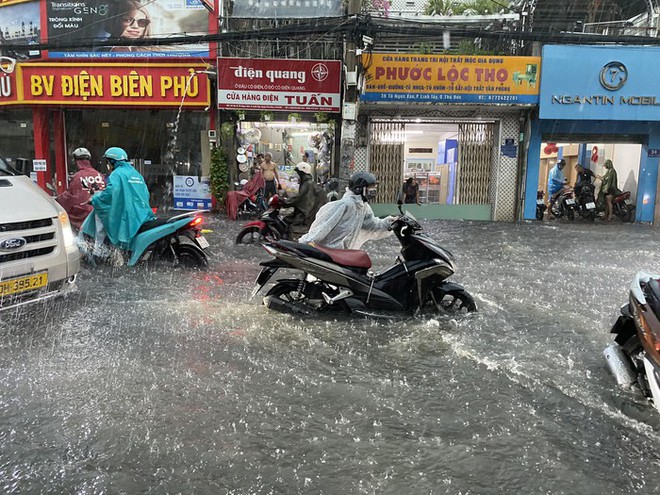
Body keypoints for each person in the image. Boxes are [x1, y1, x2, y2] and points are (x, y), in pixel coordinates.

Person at [81, 147, 155, 258]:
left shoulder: (117, 174)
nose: (107, 165)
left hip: (128, 215)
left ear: (112, 162)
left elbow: (110, 194)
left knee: (101, 217)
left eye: (107, 162)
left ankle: (99, 250)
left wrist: (95, 199)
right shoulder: (136, 173)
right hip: (143, 214)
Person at [299, 171, 394, 250]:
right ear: (359, 189)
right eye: (370, 187)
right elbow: (325, 226)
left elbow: (372, 225)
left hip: (344, 251)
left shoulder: (363, 207)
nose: (373, 190)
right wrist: (304, 243)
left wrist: (390, 222)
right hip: (330, 251)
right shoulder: (345, 205)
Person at [56, 147, 106, 231]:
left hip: (84, 217)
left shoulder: (77, 176)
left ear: (76, 161)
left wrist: (58, 199)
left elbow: (70, 197)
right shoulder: (99, 175)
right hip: (100, 215)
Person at [281, 162, 326, 232]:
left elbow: (300, 199)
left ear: (302, 173)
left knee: (291, 227)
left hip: (308, 215)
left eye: (299, 173)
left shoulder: (308, 184)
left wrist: (285, 202)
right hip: (311, 213)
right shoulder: (308, 183)